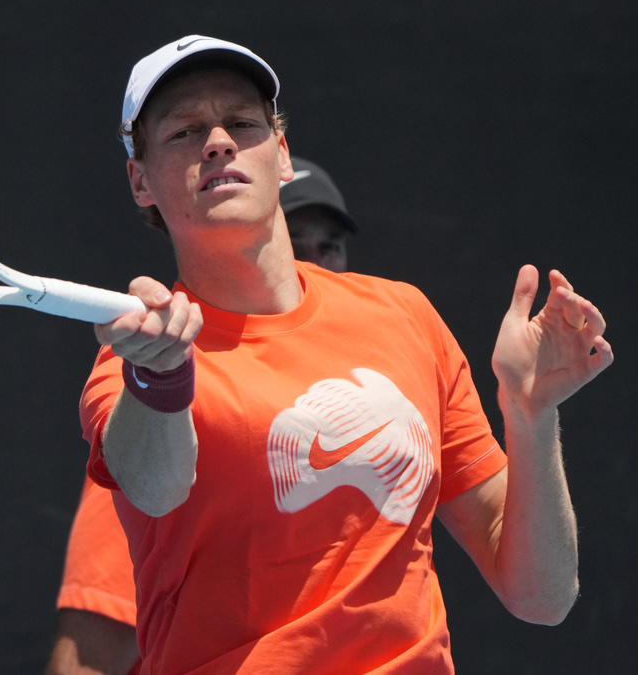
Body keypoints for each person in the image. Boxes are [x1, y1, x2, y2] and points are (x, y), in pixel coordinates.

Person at [80, 35, 613, 673]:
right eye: (184, 133)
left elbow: (542, 597)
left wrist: (530, 415)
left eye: (242, 123)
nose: (218, 141)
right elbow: (157, 489)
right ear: (140, 180)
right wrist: (160, 378)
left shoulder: (406, 315)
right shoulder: (134, 361)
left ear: (281, 155)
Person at [47, 155, 358, 675]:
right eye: (292, 237)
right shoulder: (165, 416)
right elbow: (89, 657)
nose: (313, 262)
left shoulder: (375, 401)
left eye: (330, 245)